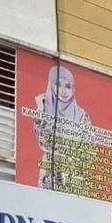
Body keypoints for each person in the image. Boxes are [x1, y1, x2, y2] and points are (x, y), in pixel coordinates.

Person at [33, 63, 92, 192]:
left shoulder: (82, 116)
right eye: (58, 85)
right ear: (51, 86)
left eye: (68, 86)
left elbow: (89, 148)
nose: (64, 91)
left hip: (74, 175)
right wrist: (42, 110)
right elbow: (44, 141)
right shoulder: (45, 110)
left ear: (73, 89)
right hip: (50, 172)